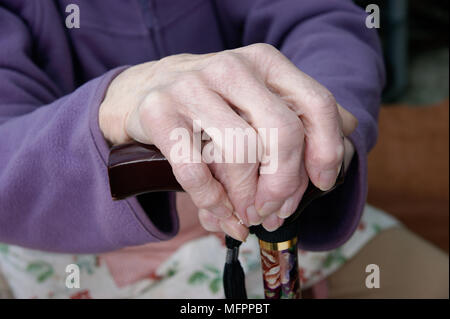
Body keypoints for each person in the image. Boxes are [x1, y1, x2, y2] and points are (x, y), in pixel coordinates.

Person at [0, 0, 447, 299]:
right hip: (55, 232)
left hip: (286, 207)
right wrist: (111, 106)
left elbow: (320, 18)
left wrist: (316, 118)